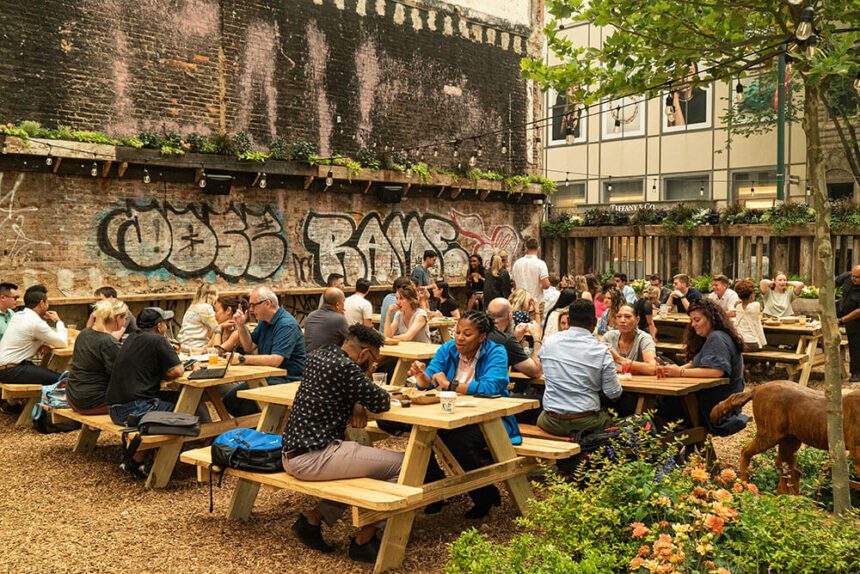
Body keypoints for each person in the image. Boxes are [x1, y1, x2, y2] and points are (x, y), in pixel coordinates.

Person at [284, 325, 398, 563]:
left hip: (291, 452)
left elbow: (347, 389)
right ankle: (366, 538)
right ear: (365, 354)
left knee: (365, 467)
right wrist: (365, 384)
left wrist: (356, 402)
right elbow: (381, 401)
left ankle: (313, 519)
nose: (374, 364)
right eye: (374, 359)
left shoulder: (319, 355)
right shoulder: (347, 368)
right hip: (316, 456)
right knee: (403, 466)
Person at [409, 311, 521, 518]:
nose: (459, 338)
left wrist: (451, 385)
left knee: (454, 439)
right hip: (450, 414)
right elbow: (429, 380)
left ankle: (483, 494)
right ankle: (435, 487)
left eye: (467, 334)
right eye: (457, 332)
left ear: (482, 337)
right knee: (418, 433)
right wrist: (421, 376)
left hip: (491, 419)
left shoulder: (496, 352)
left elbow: (492, 386)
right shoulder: (448, 349)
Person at [537, 299, 622, 437]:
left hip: (550, 421)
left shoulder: (550, 342)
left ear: (569, 320)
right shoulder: (600, 350)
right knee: (620, 417)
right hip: (586, 422)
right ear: (594, 322)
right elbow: (614, 394)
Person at [661, 300, 748, 435]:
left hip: (717, 406)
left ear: (711, 318)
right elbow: (694, 363)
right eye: (692, 320)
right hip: (717, 401)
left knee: (659, 403)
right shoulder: (713, 337)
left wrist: (680, 372)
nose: (693, 324)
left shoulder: (717, 338)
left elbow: (716, 371)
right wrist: (673, 369)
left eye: (697, 320)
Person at [223, 286, 306, 416]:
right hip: (269, 376)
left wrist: (242, 359)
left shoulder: (286, 324)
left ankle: (260, 430)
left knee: (241, 403)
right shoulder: (264, 322)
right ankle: (255, 429)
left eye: (253, 305)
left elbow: (276, 360)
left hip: (288, 378)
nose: (250, 310)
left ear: (267, 303)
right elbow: (249, 346)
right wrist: (241, 325)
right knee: (230, 401)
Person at [105, 307, 183, 425]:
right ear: (159, 326)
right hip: (135, 409)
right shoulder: (158, 339)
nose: (166, 326)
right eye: (165, 323)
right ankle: (206, 437)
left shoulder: (131, 338)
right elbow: (178, 371)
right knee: (188, 403)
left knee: (180, 398)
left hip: (115, 410)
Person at [66, 299, 127, 415]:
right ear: (117, 318)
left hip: (72, 396)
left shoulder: (83, 333)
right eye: (125, 318)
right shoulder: (108, 342)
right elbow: (120, 375)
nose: (125, 322)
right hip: (92, 402)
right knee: (143, 398)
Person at [0, 288, 67, 386]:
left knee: (48, 374)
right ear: (41, 303)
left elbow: (28, 335)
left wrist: (42, 343)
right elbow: (62, 342)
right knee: (64, 379)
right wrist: (58, 321)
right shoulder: (35, 322)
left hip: (9, 367)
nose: (48, 305)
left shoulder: (19, 315)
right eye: (47, 302)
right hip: (11, 370)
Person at [486, 298, 542, 378]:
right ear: (510, 316)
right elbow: (536, 372)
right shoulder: (506, 341)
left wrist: (516, 339)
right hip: (490, 388)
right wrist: (537, 338)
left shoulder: (480, 332)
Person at [603, 304, 657, 375]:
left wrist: (619, 359)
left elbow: (652, 368)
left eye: (627, 317)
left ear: (637, 320)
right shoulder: (609, 337)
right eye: (619, 316)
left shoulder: (644, 338)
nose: (622, 320)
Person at [304, 288, 350, 353]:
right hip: (324, 361)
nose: (344, 306)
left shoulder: (311, 315)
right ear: (337, 305)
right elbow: (350, 340)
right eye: (343, 302)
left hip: (308, 359)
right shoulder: (339, 318)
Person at [510, 238, 550, 312]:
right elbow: (546, 285)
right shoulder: (541, 264)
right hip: (536, 302)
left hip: (520, 302)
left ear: (526, 248)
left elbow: (514, 285)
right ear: (538, 248)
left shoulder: (517, 263)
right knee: (535, 323)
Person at [177, 283, 219, 351]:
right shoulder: (206, 308)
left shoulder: (192, 306)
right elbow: (216, 327)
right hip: (197, 346)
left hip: (184, 344)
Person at [838, 265, 860, 382]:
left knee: (856, 345)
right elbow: (832, 283)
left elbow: (859, 311)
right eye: (853, 275)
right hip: (844, 310)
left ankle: (856, 373)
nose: (853, 278)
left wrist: (842, 320)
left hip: (856, 319)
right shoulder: (847, 277)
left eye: (857, 277)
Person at [732, 279, 767, 352]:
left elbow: (742, 304)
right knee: (764, 348)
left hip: (739, 342)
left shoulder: (738, 307)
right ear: (751, 295)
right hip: (752, 343)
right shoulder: (756, 306)